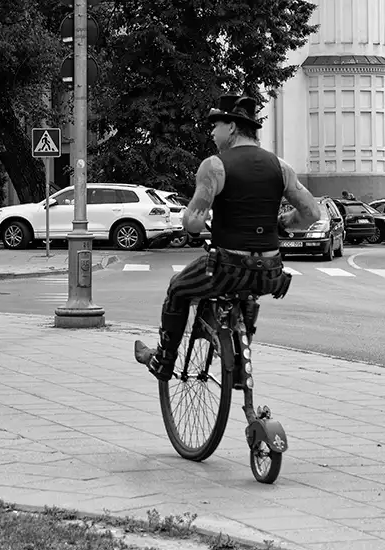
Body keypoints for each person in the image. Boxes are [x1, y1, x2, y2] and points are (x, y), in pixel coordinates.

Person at [134, 94, 323, 381]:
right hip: (271, 273)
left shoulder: (215, 166)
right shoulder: (280, 167)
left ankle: (164, 361)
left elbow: (194, 224)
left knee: (177, 288)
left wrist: (194, 219)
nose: (211, 131)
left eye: (216, 124)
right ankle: (236, 350)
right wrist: (283, 223)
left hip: (227, 269)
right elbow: (312, 214)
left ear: (232, 127)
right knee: (249, 289)